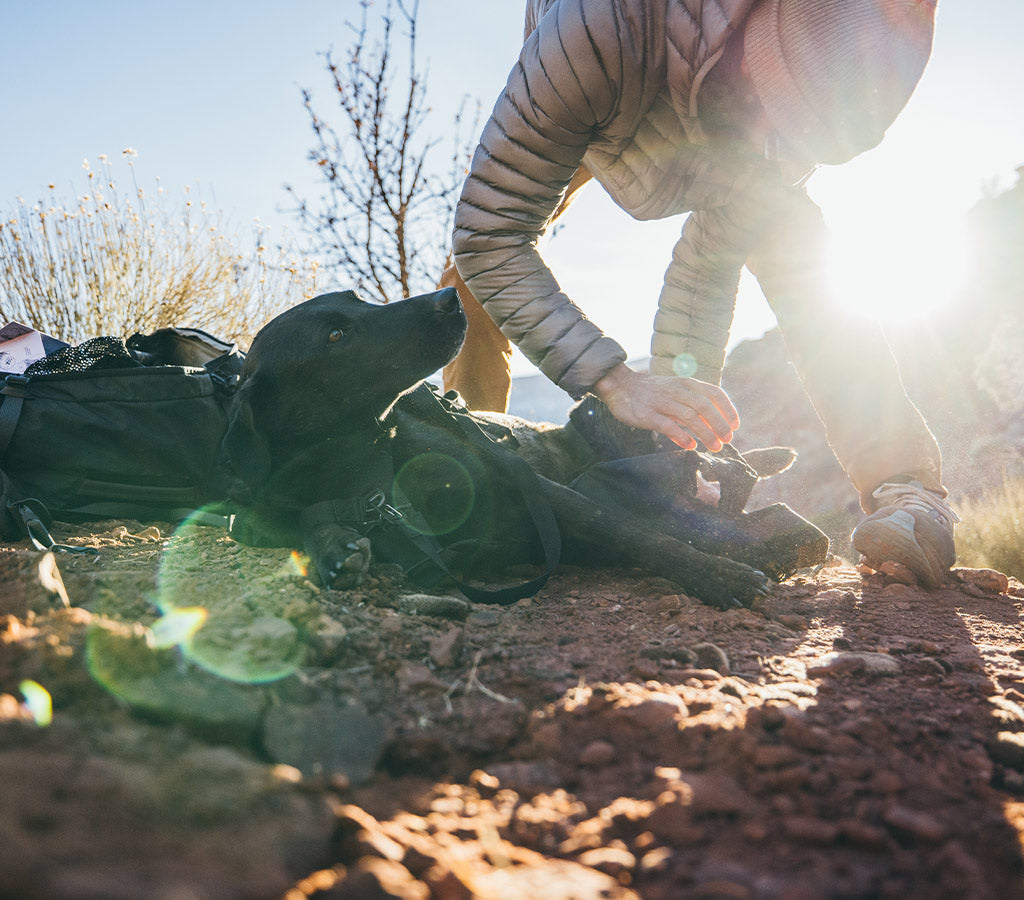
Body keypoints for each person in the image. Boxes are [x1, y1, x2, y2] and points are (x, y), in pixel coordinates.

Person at [442, 0, 957, 588]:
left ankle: (908, 491)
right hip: (606, 82)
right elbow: (490, 233)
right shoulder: (597, 28)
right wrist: (617, 382)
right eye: (773, 115)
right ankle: (472, 468)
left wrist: (675, 451)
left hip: (691, 93)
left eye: (798, 138)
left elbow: (705, 265)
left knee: (793, 235)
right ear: (747, 56)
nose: (777, 152)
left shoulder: (786, 127)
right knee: (472, 275)